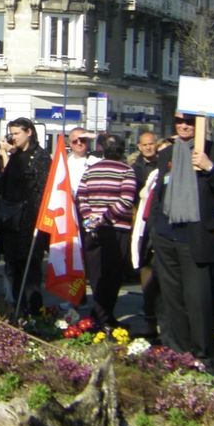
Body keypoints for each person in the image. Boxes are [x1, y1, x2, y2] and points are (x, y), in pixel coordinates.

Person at [148, 113, 214, 367]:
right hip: (166, 234)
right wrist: (154, 227)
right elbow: (159, 193)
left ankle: (202, 357)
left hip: (194, 238)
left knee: (197, 301)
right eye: (179, 122)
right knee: (172, 299)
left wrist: (209, 167)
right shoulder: (167, 154)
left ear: (200, 125)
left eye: (189, 122)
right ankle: (177, 353)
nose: (184, 126)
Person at [76, 134, 137, 326]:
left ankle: (101, 315)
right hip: (116, 228)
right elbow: (126, 200)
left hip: (92, 228)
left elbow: (81, 197)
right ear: (122, 150)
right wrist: (105, 218)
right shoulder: (127, 170)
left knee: (96, 273)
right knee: (112, 274)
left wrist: (90, 218)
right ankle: (104, 318)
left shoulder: (90, 170)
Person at [0, 117, 51, 312]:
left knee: (31, 270)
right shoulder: (17, 156)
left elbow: (44, 190)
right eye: (12, 134)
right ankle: (19, 309)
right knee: (15, 267)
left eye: (17, 133)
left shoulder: (41, 157)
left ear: (29, 132)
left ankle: (34, 310)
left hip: (31, 220)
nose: (14, 138)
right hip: (12, 221)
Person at [131, 129, 161, 338]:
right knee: (147, 275)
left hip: (161, 224)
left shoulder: (164, 164)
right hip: (143, 226)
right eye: (144, 144)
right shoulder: (135, 169)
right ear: (139, 147)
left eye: (151, 144)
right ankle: (150, 321)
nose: (148, 147)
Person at [66, 127, 96, 197]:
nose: (79, 143)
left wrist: (95, 136)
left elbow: (110, 143)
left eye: (82, 140)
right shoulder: (64, 162)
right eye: (75, 141)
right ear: (70, 144)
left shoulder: (95, 161)